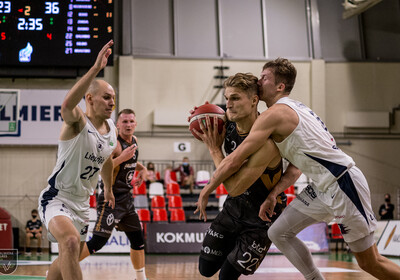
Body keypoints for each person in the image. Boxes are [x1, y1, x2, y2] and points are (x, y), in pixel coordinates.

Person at [201, 58, 400, 280]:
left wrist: (207, 189)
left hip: (342, 183)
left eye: (264, 77)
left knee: (371, 263)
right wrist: (274, 194)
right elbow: (296, 168)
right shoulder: (296, 108)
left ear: (280, 86)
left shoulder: (274, 114)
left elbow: (235, 159)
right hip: (322, 186)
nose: (258, 80)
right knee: (278, 232)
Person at [193, 73, 287, 280]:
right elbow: (204, 120)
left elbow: (234, 187)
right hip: (233, 209)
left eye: (235, 98)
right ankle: (232, 249)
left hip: (260, 218)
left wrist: (215, 151)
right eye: (227, 99)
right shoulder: (229, 123)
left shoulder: (267, 143)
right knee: (205, 269)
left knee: (226, 277)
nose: (228, 104)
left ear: (254, 101)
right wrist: (201, 114)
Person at [38, 40, 117, 280]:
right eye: (106, 97)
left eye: (113, 98)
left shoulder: (111, 129)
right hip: (57, 197)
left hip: (83, 204)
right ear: (90, 98)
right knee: (70, 242)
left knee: (69, 254)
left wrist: (109, 189)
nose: (112, 102)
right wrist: (95, 68)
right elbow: (66, 105)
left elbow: (107, 160)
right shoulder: (77, 122)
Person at [79, 109, 148, 280]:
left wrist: (143, 169)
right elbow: (102, 167)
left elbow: (133, 160)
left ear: (136, 123)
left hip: (127, 200)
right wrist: (122, 158)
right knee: (97, 242)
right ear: (117, 125)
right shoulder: (113, 144)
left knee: (138, 241)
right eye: (124, 121)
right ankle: (60, 268)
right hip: (110, 199)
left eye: (131, 121)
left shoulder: (135, 141)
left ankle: (141, 278)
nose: (128, 125)